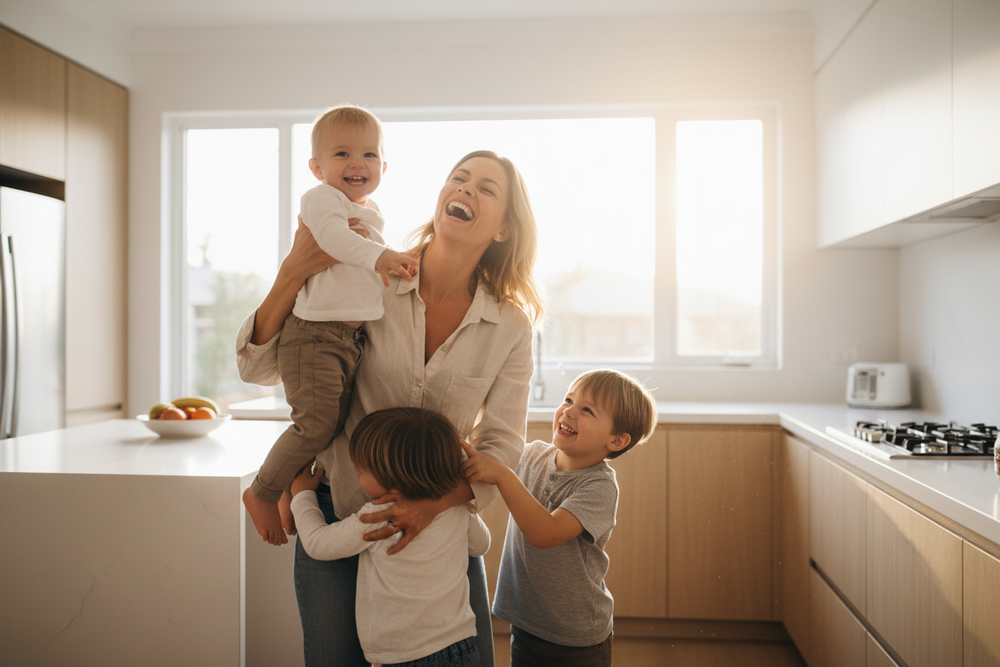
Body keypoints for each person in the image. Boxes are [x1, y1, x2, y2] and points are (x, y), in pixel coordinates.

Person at [236, 149, 542, 666]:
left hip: (440, 528)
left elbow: (502, 442)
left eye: (486, 188)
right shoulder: (370, 273)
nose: (464, 189)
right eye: (458, 178)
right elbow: (261, 367)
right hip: (341, 512)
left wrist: (437, 503)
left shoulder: (510, 325)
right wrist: (293, 271)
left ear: (504, 230)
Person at [242, 104, 419, 546]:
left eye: (369, 155)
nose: (357, 163)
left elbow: (360, 267)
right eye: (342, 154)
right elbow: (333, 241)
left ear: (384, 165)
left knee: (331, 423)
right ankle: (262, 491)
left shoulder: (368, 210)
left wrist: (389, 263)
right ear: (317, 168)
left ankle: (291, 483)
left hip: (345, 337)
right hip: (314, 334)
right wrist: (383, 257)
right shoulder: (323, 201)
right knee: (315, 424)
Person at [461, 369, 658, 667]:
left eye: (587, 410)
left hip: (577, 639)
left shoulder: (600, 487)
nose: (568, 411)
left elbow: (546, 533)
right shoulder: (531, 455)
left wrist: (503, 476)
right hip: (526, 623)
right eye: (568, 399)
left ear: (617, 441)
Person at [290, 407, 488, 667]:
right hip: (462, 647)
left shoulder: (380, 515)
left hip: (408, 657)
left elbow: (318, 544)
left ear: (395, 482)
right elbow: (481, 545)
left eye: (360, 470)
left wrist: (302, 496)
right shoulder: (455, 507)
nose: (354, 467)